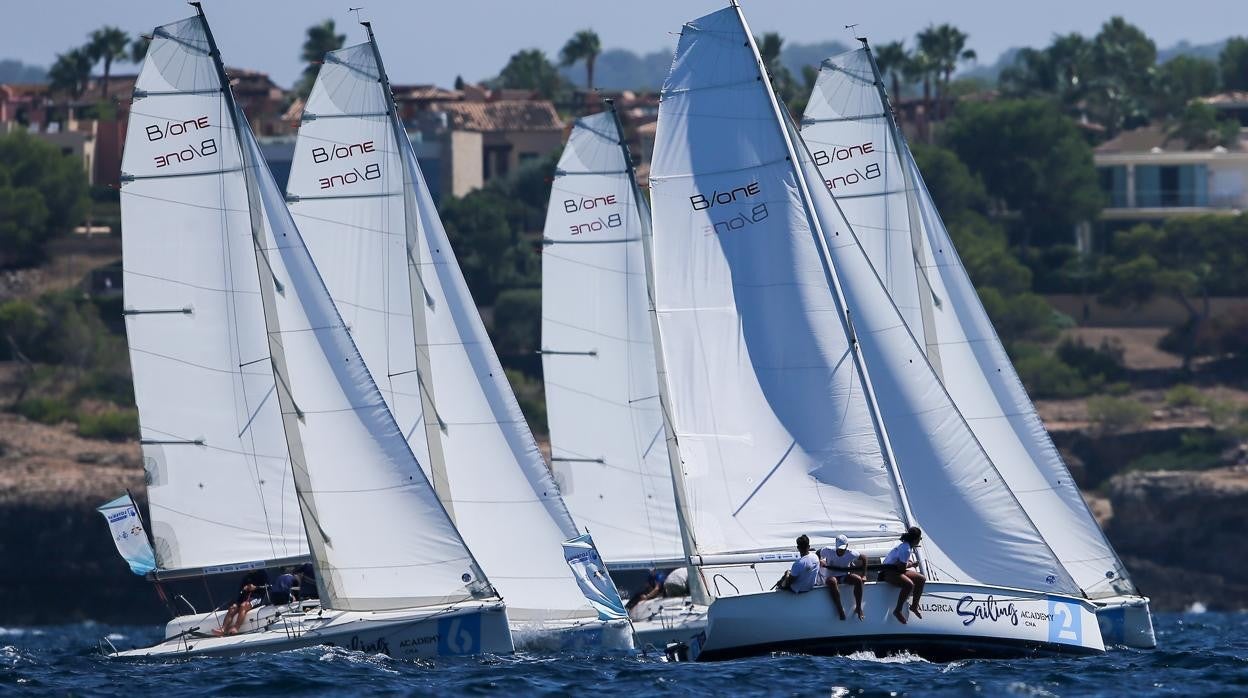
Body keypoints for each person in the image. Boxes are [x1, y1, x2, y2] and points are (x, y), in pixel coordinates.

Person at [881, 526, 926, 624]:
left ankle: (914, 606)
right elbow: (901, 568)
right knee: (909, 584)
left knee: (921, 579)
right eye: (920, 538)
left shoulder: (906, 546)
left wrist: (907, 564)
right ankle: (897, 610)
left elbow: (900, 567)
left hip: (895, 570)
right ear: (915, 539)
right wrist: (912, 564)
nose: (920, 540)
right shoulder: (906, 549)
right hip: (887, 572)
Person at [818, 534, 867, 621]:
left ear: (847, 546)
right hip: (831, 576)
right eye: (839, 549)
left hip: (844, 576)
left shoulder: (851, 553)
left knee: (858, 580)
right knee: (832, 581)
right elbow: (818, 553)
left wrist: (863, 575)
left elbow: (864, 558)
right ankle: (840, 609)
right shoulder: (828, 550)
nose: (841, 551)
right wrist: (820, 562)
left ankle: (858, 608)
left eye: (843, 549)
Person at [214, 568, 269, 636]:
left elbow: (269, 586)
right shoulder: (246, 577)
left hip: (257, 598)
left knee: (243, 606)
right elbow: (241, 590)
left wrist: (256, 587)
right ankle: (223, 629)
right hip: (245, 597)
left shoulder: (263, 574)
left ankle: (236, 628)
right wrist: (244, 588)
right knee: (232, 608)